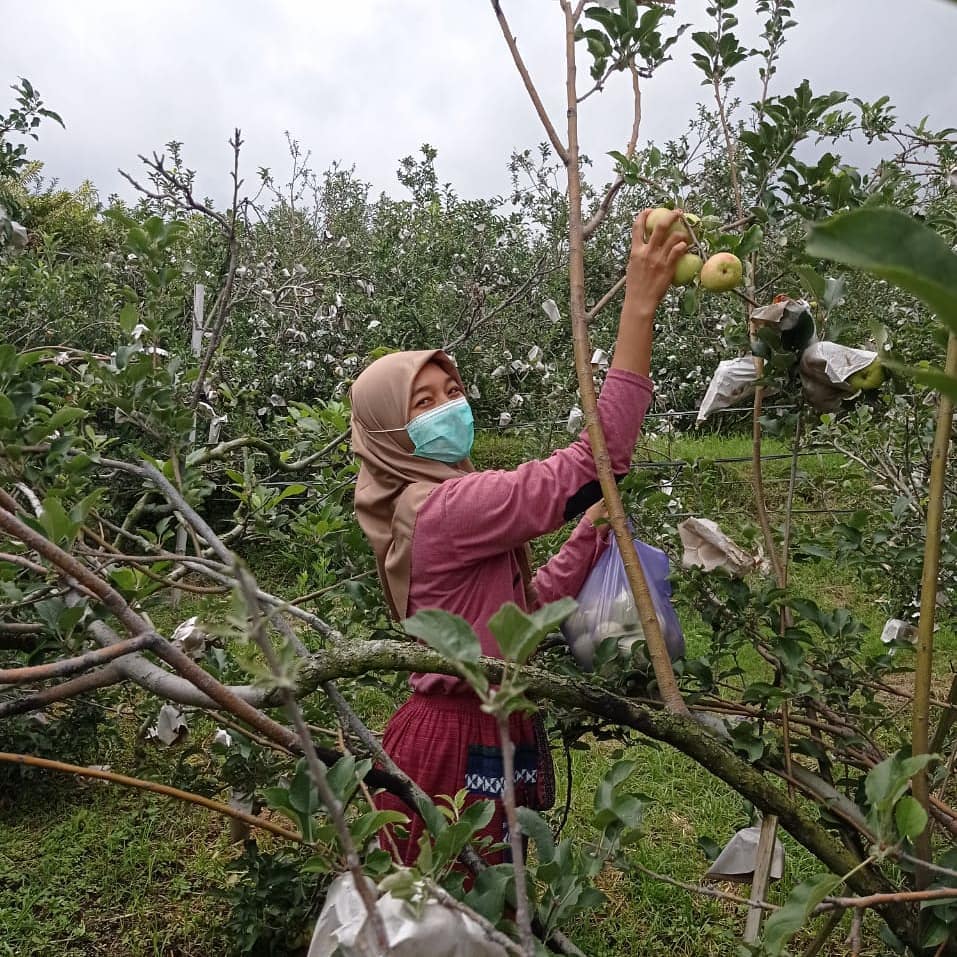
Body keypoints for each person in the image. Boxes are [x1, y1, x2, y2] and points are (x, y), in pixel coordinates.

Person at [349, 209, 688, 865]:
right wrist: (639, 304)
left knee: (481, 907)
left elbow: (518, 617)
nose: (452, 405)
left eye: (452, 388)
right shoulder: (444, 506)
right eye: (424, 401)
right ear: (390, 430)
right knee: (455, 910)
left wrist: (586, 535)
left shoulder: (422, 502)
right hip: (452, 737)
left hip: (489, 723)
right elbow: (596, 459)